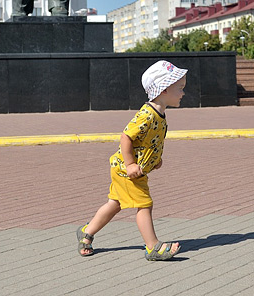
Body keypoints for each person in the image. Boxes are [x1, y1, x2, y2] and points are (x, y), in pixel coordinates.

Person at [77, 60, 187, 261]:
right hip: (127, 170)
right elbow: (126, 136)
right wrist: (130, 164)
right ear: (163, 90)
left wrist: (156, 159)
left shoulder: (159, 113)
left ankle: (86, 233)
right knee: (144, 204)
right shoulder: (147, 115)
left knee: (115, 203)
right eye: (179, 88)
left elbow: (148, 140)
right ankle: (153, 246)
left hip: (130, 169)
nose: (183, 93)